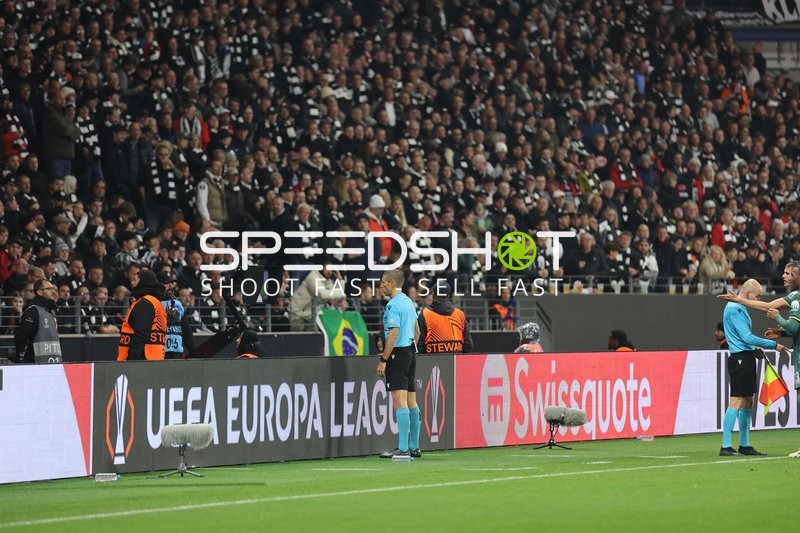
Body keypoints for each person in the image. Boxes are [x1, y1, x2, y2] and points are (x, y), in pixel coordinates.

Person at [721, 261, 800, 457]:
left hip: (747, 356)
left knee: (748, 401)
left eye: (788, 273)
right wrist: (775, 344)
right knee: (737, 401)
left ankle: (745, 445)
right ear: (748, 293)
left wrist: (774, 334)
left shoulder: (741, 307)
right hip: (740, 358)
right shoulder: (734, 308)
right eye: (757, 295)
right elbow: (746, 337)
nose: (760, 299)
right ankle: (725, 446)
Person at [377, 268, 421, 460]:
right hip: (411, 350)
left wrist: (384, 360)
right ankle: (414, 446)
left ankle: (402, 447)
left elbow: (393, 333)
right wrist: (410, 348)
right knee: (412, 401)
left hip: (398, 353)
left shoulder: (393, 305)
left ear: (392, 284)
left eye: (383, 283)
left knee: (399, 401)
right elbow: (417, 330)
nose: (381, 287)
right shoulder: (409, 302)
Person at [117, 269, 167, 361]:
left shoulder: (145, 304)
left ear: (144, 282)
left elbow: (140, 336)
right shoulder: (155, 302)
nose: (132, 282)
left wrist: (131, 361)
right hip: (154, 358)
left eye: (136, 279)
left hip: (142, 359)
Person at [11, 280, 62, 363]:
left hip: (53, 362)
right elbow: (21, 336)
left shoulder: (50, 311)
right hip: (34, 363)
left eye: (53, 289)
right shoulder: (33, 311)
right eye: (49, 289)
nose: (53, 291)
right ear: (40, 292)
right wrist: (20, 356)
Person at [417, 279, 473, 354]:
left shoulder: (425, 314)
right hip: (456, 361)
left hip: (431, 362)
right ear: (449, 296)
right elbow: (468, 345)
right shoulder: (460, 314)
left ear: (433, 295)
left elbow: (419, 345)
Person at [157, 270, 196, 359]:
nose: (171, 286)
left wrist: (197, 354)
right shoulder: (154, 304)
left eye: (172, 283)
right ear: (158, 285)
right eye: (167, 283)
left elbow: (187, 333)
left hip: (177, 354)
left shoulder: (177, 305)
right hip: (159, 355)